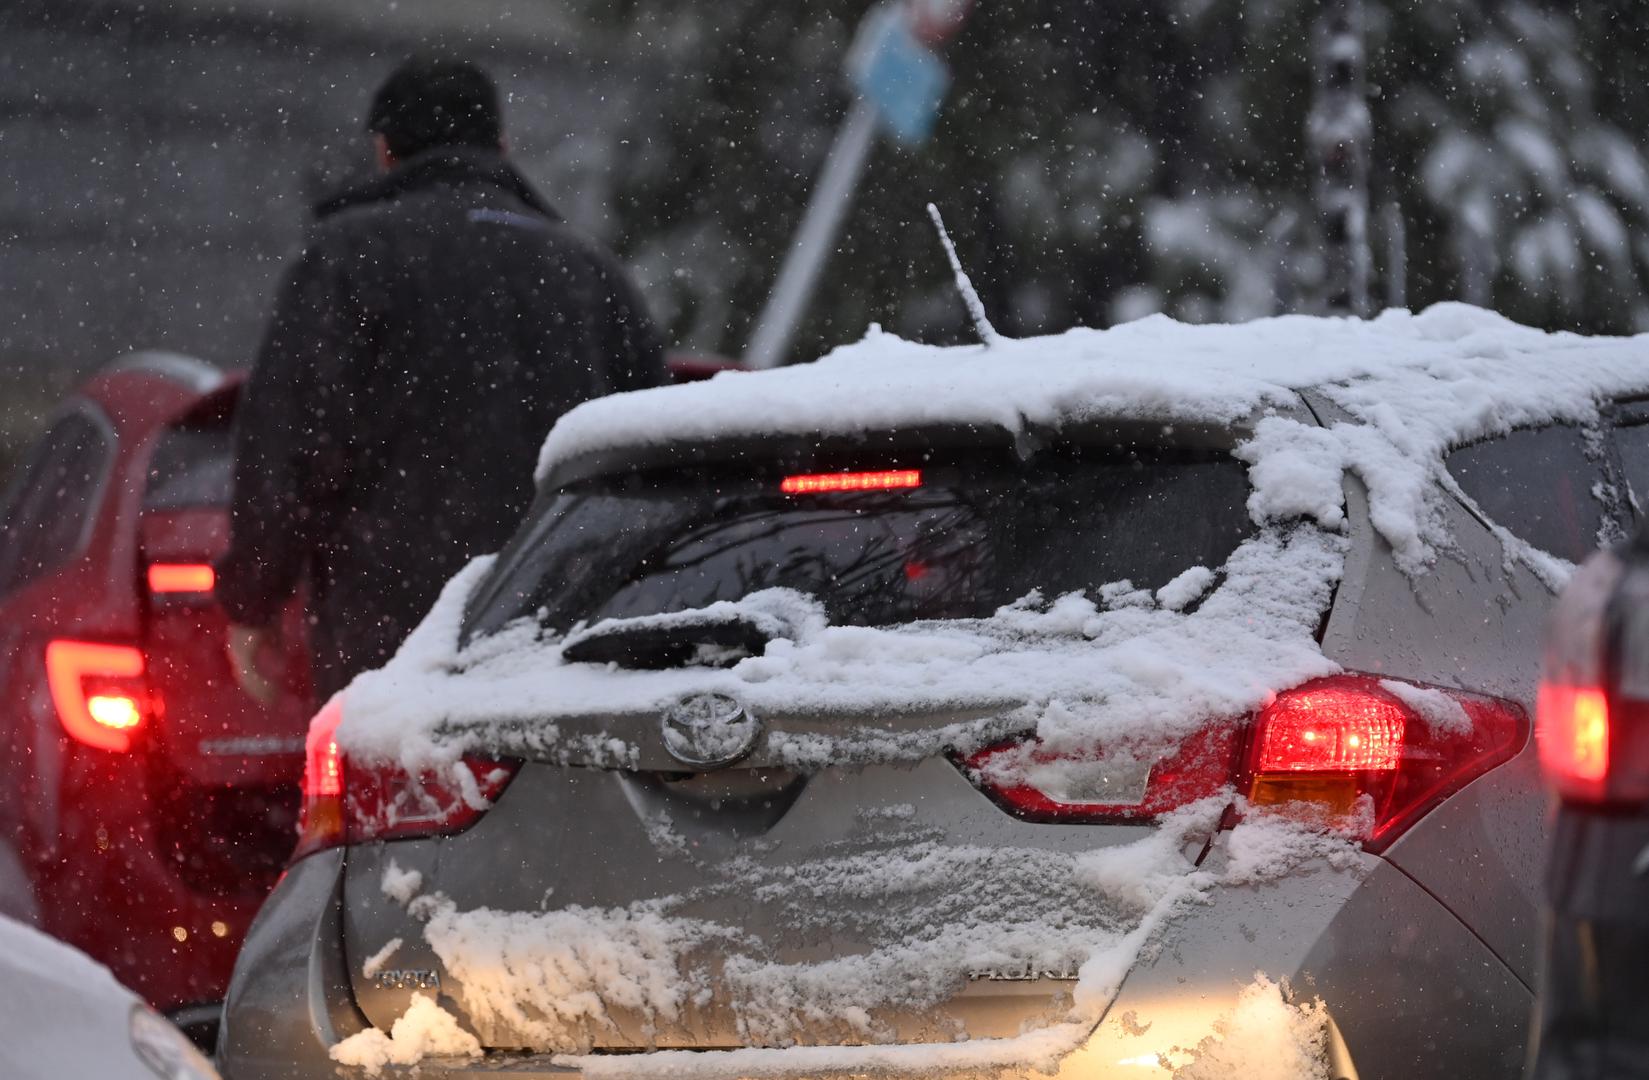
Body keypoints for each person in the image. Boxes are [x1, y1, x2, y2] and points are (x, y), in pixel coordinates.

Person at [216, 56, 665, 702]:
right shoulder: (590, 273)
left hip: (392, 636)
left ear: (384, 152)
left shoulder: (346, 258)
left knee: (403, 798)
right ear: (503, 149)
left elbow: (292, 445)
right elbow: (651, 459)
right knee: (546, 801)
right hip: (563, 634)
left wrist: (254, 598)